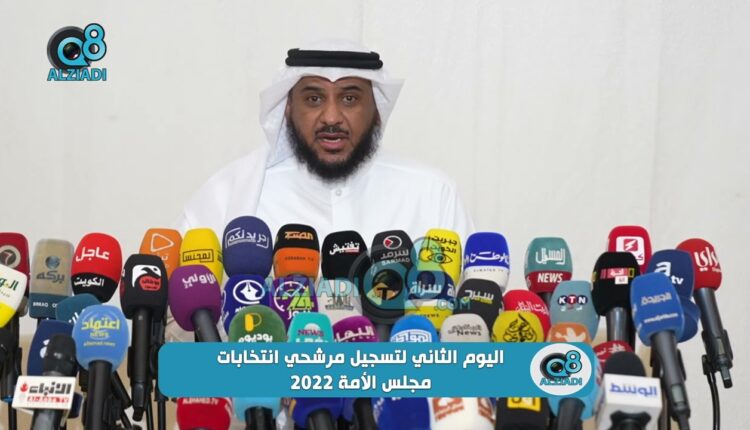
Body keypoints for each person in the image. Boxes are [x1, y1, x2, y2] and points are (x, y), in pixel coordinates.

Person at [175, 39, 473, 245]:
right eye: (314, 99)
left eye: (349, 98)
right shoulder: (230, 194)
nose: (331, 117)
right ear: (288, 108)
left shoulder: (432, 195)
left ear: (376, 110)